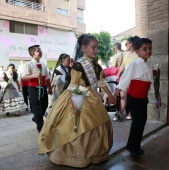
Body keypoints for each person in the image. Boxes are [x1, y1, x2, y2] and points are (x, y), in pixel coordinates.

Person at [38, 34, 114, 168]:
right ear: (83, 48)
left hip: (92, 96)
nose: (96, 50)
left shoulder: (97, 66)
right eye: (93, 47)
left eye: (97, 47)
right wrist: (75, 102)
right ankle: (75, 156)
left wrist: (110, 94)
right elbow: (73, 85)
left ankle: (95, 155)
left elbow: (101, 82)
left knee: (99, 121)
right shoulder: (78, 65)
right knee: (78, 124)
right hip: (77, 94)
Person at [112, 38, 161, 158]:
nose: (148, 51)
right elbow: (124, 81)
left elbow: (153, 83)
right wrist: (114, 94)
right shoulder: (134, 64)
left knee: (141, 122)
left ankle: (133, 145)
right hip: (133, 98)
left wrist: (157, 95)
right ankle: (134, 147)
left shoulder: (150, 65)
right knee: (138, 122)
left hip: (143, 99)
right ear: (137, 51)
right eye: (145, 49)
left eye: (150, 48)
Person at [22, 45, 52, 132]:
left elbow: (47, 78)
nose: (40, 52)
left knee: (44, 105)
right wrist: (34, 75)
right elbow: (24, 77)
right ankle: (40, 128)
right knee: (37, 108)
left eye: (40, 50)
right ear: (32, 53)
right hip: (33, 88)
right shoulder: (28, 64)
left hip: (42, 87)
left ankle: (36, 118)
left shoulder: (43, 64)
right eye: (38, 50)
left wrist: (50, 88)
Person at [114, 36, 140, 121]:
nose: (125, 46)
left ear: (131, 44)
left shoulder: (138, 54)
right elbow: (123, 65)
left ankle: (130, 113)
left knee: (132, 97)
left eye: (126, 44)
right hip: (125, 78)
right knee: (122, 96)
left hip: (134, 78)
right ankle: (120, 114)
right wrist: (118, 75)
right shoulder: (127, 53)